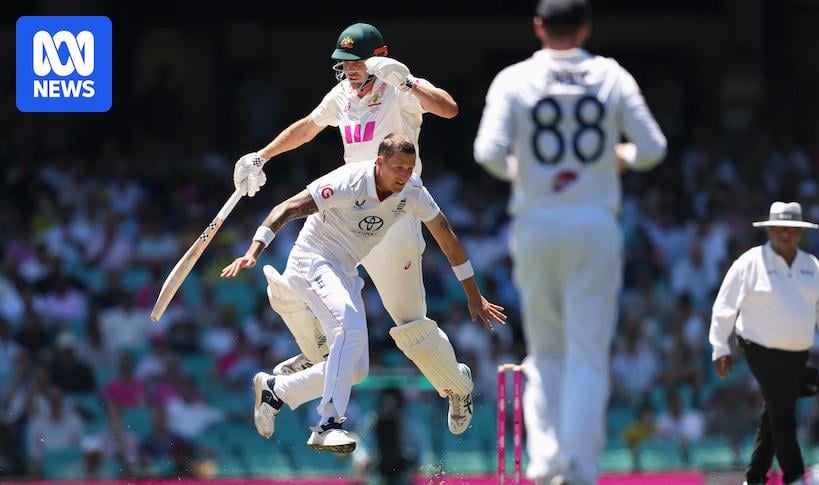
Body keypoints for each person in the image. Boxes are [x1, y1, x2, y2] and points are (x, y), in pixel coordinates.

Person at [229, 22, 474, 435]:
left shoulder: (399, 87)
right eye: (344, 64)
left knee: (411, 326)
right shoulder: (341, 94)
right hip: (346, 213)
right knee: (299, 282)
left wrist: (406, 81)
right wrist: (262, 156)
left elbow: (449, 109)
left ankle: (457, 386)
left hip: (394, 218)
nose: (350, 71)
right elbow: (309, 126)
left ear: (380, 57)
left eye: (357, 62)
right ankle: (315, 353)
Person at [472, 0, 667, 482]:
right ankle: (578, 465)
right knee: (587, 352)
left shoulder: (514, 79)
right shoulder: (611, 76)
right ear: (585, 28)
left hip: (536, 221)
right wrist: (617, 157)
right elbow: (652, 149)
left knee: (545, 348)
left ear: (538, 26)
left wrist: (528, 174)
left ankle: (545, 459)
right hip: (593, 222)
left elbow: (488, 153)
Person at [222, 134, 506, 453]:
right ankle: (328, 425)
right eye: (397, 168)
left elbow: (448, 239)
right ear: (379, 163)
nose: (404, 175)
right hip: (312, 260)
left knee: (355, 370)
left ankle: (277, 390)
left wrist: (473, 295)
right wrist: (254, 251)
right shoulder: (349, 181)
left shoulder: (413, 191)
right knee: (350, 331)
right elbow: (286, 208)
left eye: (409, 168)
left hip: (344, 270)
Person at [709, 201, 819, 485]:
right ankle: (794, 475)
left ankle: (754, 478)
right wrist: (720, 347)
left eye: (791, 229)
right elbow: (724, 306)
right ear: (769, 230)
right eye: (779, 228)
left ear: (800, 233)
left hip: (797, 353)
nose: (784, 234)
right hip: (757, 346)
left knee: (776, 409)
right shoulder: (750, 263)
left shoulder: (813, 268)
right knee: (782, 408)